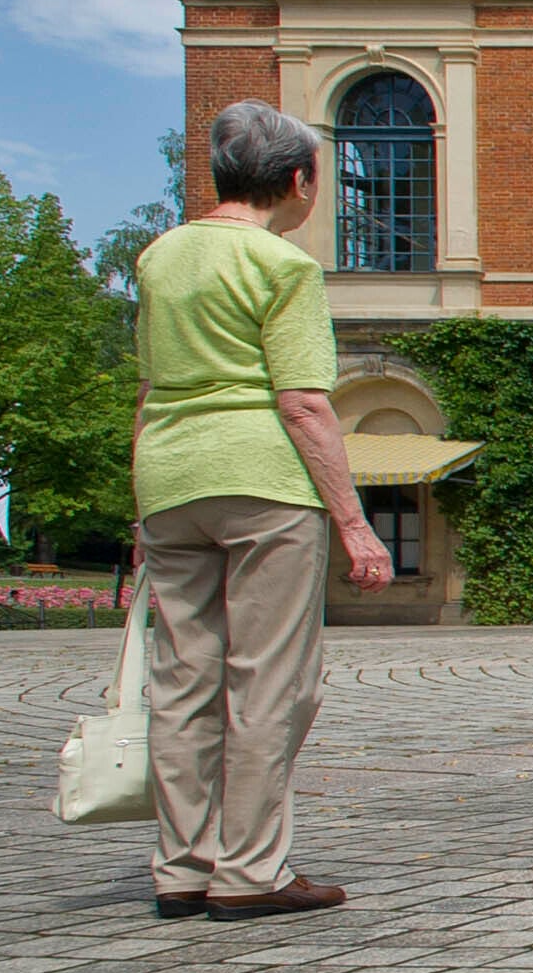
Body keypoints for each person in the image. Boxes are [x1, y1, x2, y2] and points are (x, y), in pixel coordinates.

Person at [130, 101, 396, 920]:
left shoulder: (160, 256)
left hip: (170, 478)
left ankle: (182, 866)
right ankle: (249, 871)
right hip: (262, 484)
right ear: (297, 181)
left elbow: (147, 389)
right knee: (271, 681)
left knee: (182, 683)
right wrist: (355, 522)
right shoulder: (284, 268)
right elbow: (306, 405)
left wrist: (139, 508)